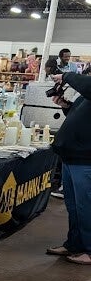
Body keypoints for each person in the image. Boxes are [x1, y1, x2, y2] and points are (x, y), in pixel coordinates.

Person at [46, 66, 91, 264]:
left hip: (86, 159)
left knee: (86, 206)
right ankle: (74, 244)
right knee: (74, 206)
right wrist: (65, 105)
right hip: (71, 156)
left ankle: (89, 249)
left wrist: (67, 76)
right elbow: (78, 115)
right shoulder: (85, 96)